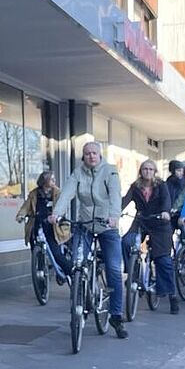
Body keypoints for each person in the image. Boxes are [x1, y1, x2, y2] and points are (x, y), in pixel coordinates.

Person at [54, 141, 127, 339]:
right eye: (87, 154)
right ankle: (80, 301)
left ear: (100, 155)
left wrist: (114, 216)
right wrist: (57, 213)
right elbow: (67, 193)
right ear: (83, 157)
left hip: (107, 225)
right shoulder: (78, 173)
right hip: (85, 224)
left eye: (94, 153)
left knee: (113, 269)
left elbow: (115, 196)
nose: (91, 156)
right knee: (77, 264)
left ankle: (116, 316)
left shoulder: (110, 171)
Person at [122, 159, 178, 313]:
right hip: (142, 220)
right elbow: (125, 201)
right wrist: (114, 212)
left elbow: (166, 200)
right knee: (126, 242)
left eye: (150, 169)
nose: (147, 171)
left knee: (163, 259)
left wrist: (165, 211)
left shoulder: (161, 185)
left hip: (160, 223)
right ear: (141, 171)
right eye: (145, 169)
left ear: (155, 172)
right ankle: (132, 273)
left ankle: (171, 295)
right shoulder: (135, 186)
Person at [17, 169, 69, 281]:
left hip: (52, 225)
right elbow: (26, 206)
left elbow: (62, 206)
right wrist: (21, 215)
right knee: (35, 245)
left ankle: (70, 272)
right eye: (51, 179)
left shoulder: (57, 193)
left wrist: (57, 215)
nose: (54, 181)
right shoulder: (34, 194)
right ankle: (39, 270)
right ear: (44, 181)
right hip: (37, 223)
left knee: (56, 252)